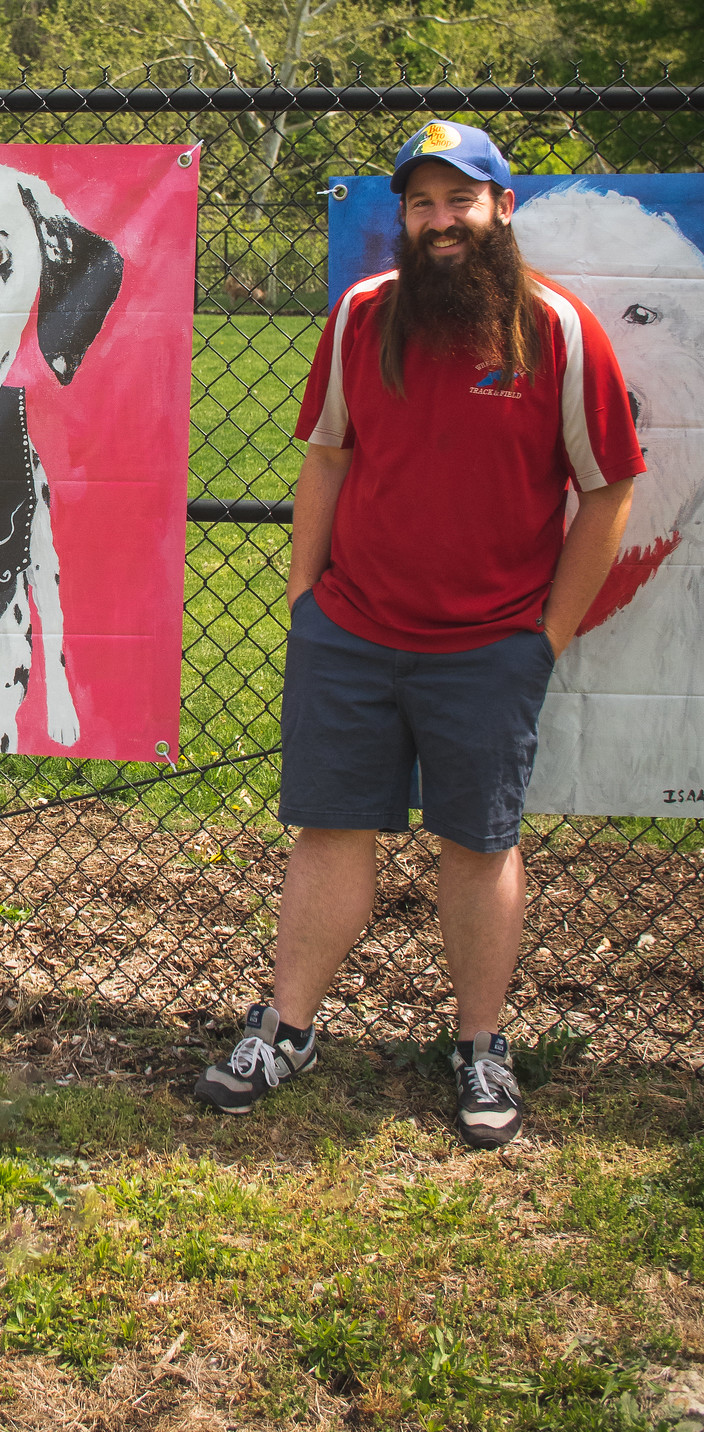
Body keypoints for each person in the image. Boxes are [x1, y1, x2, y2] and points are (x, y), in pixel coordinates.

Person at [193, 122, 644, 1148]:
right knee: (329, 831)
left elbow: (611, 485)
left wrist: (547, 633)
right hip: (352, 632)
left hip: (490, 644)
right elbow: (326, 459)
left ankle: (480, 1043)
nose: (440, 222)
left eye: (460, 199)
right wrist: (307, 597)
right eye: (421, 204)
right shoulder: (362, 317)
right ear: (401, 218)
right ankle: (288, 1028)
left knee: (479, 843)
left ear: (501, 209)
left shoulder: (557, 332)